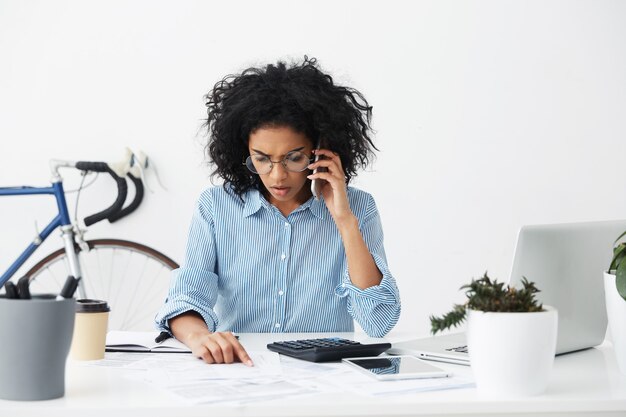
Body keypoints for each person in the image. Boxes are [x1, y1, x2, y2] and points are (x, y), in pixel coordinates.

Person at [155, 56, 401, 365]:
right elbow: (186, 299)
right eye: (261, 159)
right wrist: (199, 337)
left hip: (325, 377)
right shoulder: (216, 207)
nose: (277, 176)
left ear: (320, 149)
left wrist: (344, 221)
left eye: (293, 158)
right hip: (239, 371)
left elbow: (378, 322)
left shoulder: (358, 208)